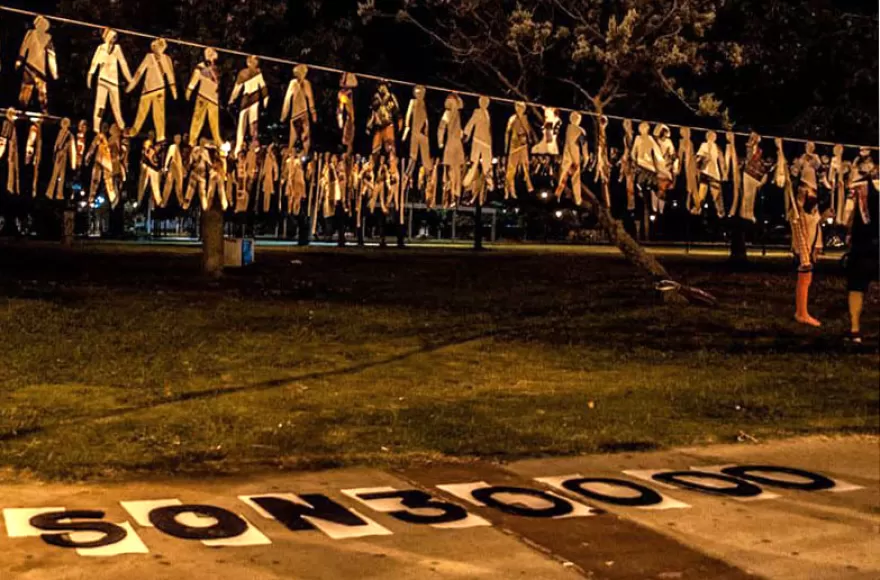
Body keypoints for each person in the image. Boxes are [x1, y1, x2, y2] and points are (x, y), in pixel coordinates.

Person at [844, 151, 879, 343]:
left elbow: (849, 212)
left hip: (863, 241)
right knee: (856, 285)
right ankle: (854, 329)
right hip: (865, 242)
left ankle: (855, 329)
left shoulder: (859, 185)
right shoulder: (860, 185)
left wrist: (848, 231)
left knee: (856, 286)